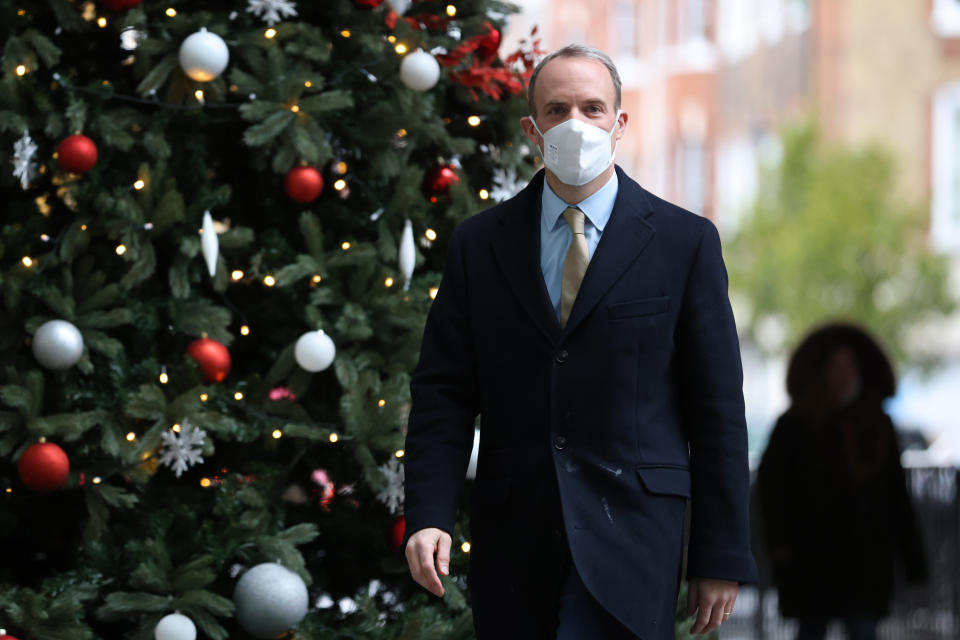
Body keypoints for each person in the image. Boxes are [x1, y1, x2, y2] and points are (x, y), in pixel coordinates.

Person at [403, 44, 757, 639]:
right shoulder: (479, 245)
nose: (576, 123)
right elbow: (444, 393)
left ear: (619, 123)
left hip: (636, 543)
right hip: (516, 545)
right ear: (532, 129)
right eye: (557, 108)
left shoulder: (684, 243)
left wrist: (719, 555)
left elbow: (717, 409)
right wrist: (429, 515)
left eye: (593, 108)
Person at [756, 323, 928, 640]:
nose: (843, 374)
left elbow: (895, 495)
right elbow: (771, 491)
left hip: (865, 566)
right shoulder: (794, 426)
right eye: (836, 366)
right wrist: (780, 547)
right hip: (811, 565)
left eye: (850, 365)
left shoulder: (878, 425)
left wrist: (913, 562)